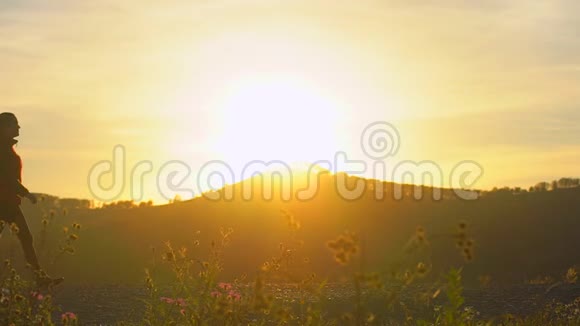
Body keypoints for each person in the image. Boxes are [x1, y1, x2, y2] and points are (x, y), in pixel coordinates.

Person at [0, 112, 63, 288]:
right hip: (3, 203)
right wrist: (26, 193)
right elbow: (6, 177)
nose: (18, 127)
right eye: (15, 124)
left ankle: (40, 277)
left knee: (26, 239)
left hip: (10, 204)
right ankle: (39, 277)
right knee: (26, 238)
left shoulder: (7, 149)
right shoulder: (2, 151)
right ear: (4, 128)